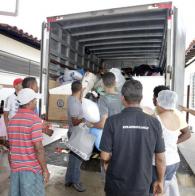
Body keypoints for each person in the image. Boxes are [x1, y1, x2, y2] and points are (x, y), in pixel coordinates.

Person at [100, 79, 166, 196]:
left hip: (116, 185)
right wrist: (160, 181)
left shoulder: (111, 121)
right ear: (141, 98)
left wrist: (107, 166)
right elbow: (160, 158)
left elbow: (104, 156)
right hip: (141, 185)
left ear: (123, 98)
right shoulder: (154, 123)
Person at [7, 88, 49, 196]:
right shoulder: (34, 120)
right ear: (29, 103)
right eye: (34, 100)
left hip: (15, 170)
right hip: (31, 170)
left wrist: (13, 166)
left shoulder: (12, 121)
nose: (36, 102)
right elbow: (38, 149)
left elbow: (10, 148)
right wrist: (45, 170)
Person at [153, 90, 189, 196]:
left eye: (158, 100)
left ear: (160, 102)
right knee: (165, 189)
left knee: (157, 190)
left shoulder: (157, 120)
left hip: (160, 163)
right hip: (174, 161)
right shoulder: (177, 117)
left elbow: (159, 156)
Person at [65, 80, 86, 192]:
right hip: (75, 133)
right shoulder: (74, 102)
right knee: (77, 160)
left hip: (74, 133)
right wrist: (85, 118)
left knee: (73, 159)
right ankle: (76, 182)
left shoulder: (73, 99)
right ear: (80, 89)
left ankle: (68, 180)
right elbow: (74, 121)